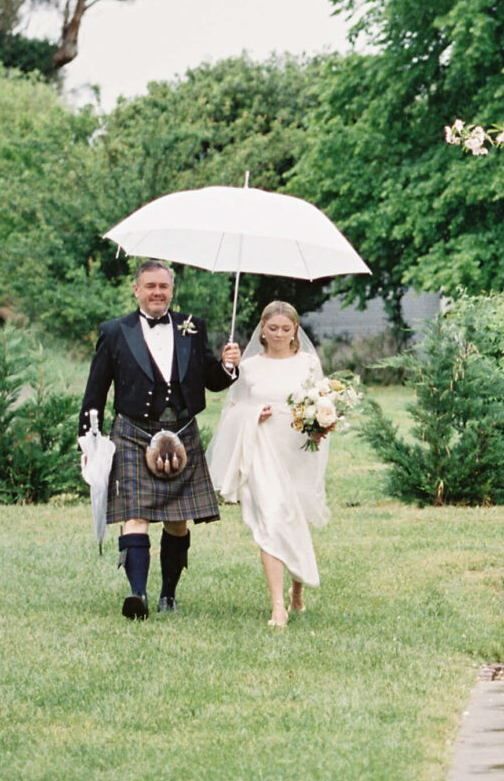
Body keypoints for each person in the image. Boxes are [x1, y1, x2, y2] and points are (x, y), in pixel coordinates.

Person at [81, 259, 240, 620]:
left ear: (172, 290)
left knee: (178, 520)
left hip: (182, 432)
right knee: (134, 515)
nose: (157, 293)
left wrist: (229, 366)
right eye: (150, 286)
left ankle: (168, 594)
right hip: (133, 432)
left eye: (163, 286)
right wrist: (88, 443)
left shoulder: (192, 328)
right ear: (136, 289)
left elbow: (211, 381)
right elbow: (95, 390)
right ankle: (137, 594)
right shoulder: (114, 331)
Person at [206, 300, 332, 628]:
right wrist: (251, 414)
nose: (278, 334)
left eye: (285, 329)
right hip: (261, 445)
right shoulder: (248, 367)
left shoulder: (306, 363)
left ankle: (296, 591)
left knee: (296, 517)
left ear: (295, 332)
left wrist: (320, 428)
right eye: (272, 328)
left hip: (296, 447)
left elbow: (322, 403)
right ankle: (277, 605)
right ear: (262, 329)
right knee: (271, 520)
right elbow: (231, 410)